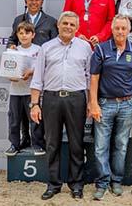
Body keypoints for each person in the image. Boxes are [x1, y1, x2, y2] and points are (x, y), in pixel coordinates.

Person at [30, 11, 92, 200]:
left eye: (72, 25)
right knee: (52, 143)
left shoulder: (85, 47)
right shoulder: (46, 48)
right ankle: (54, 184)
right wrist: (34, 104)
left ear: (77, 28)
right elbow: (37, 78)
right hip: (51, 99)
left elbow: (90, 78)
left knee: (76, 143)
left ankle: (76, 184)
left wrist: (91, 102)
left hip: (77, 100)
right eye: (65, 23)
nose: (68, 27)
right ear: (58, 25)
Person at [89, 15, 132, 200]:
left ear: (129, 30)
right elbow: (94, 78)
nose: (120, 32)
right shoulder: (101, 48)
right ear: (112, 30)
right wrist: (94, 104)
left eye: (124, 28)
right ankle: (102, 183)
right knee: (100, 146)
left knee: (121, 146)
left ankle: (116, 182)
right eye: (117, 28)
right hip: (105, 104)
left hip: (128, 104)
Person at [7, 0, 57, 153]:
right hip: (20, 76)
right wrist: (12, 47)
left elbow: (55, 45)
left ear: (42, 1)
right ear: (25, 1)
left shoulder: (51, 21)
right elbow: (11, 39)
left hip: (41, 72)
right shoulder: (17, 19)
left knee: (36, 111)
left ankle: (38, 142)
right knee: (17, 115)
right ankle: (22, 140)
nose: (34, 2)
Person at [4, 21, 41, 156]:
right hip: (16, 91)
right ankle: (14, 144)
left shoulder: (38, 50)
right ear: (17, 35)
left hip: (32, 92)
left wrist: (31, 72)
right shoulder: (13, 51)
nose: (24, 36)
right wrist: (11, 77)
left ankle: (37, 144)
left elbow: (43, 68)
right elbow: (7, 70)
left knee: (35, 120)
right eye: (20, 33)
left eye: (27, 33)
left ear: (33, 35)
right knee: (14, 120)